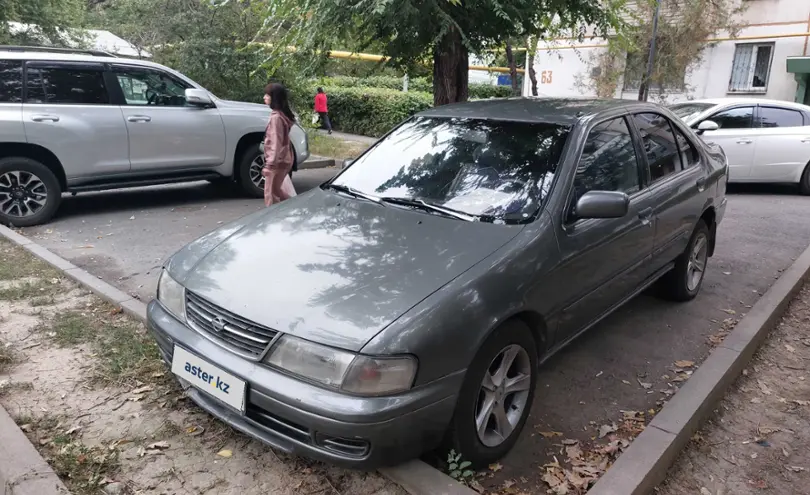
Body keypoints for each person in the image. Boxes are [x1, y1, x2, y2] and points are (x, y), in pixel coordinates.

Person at [262, 83, 296, 207]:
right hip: (284, 159)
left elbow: (276, 142)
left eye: (267, 95)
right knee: (279, 192)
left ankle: (271, 220)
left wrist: (270, 164)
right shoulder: (283, 115)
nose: (264, 97)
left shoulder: (276, 118)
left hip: (276, 162)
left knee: (271, 195)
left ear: (274, 98)